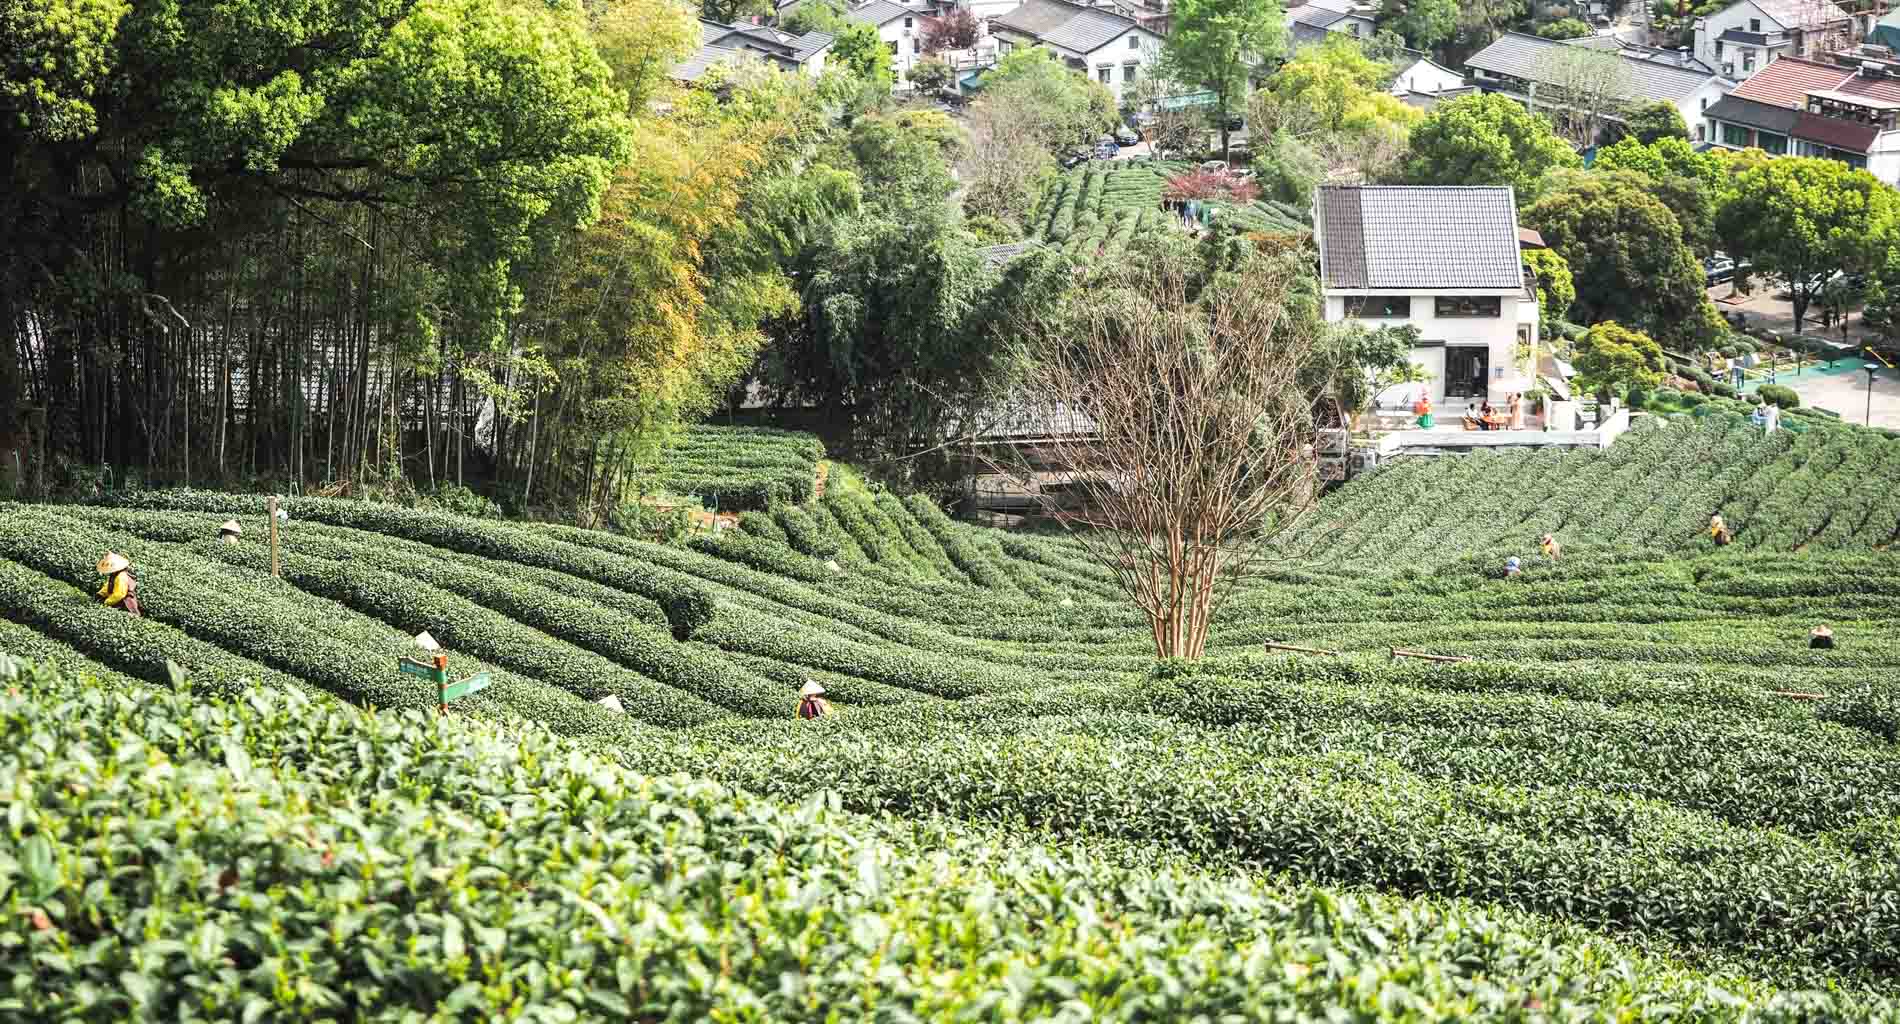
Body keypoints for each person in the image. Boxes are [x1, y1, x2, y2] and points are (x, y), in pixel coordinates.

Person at [95, 552, 141, 617]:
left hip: (125, 602)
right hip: (118, 599)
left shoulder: (121, 577)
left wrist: (107, 602)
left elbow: (119, 594)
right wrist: (100, 594)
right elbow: (108, 585)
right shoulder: (114, 575)